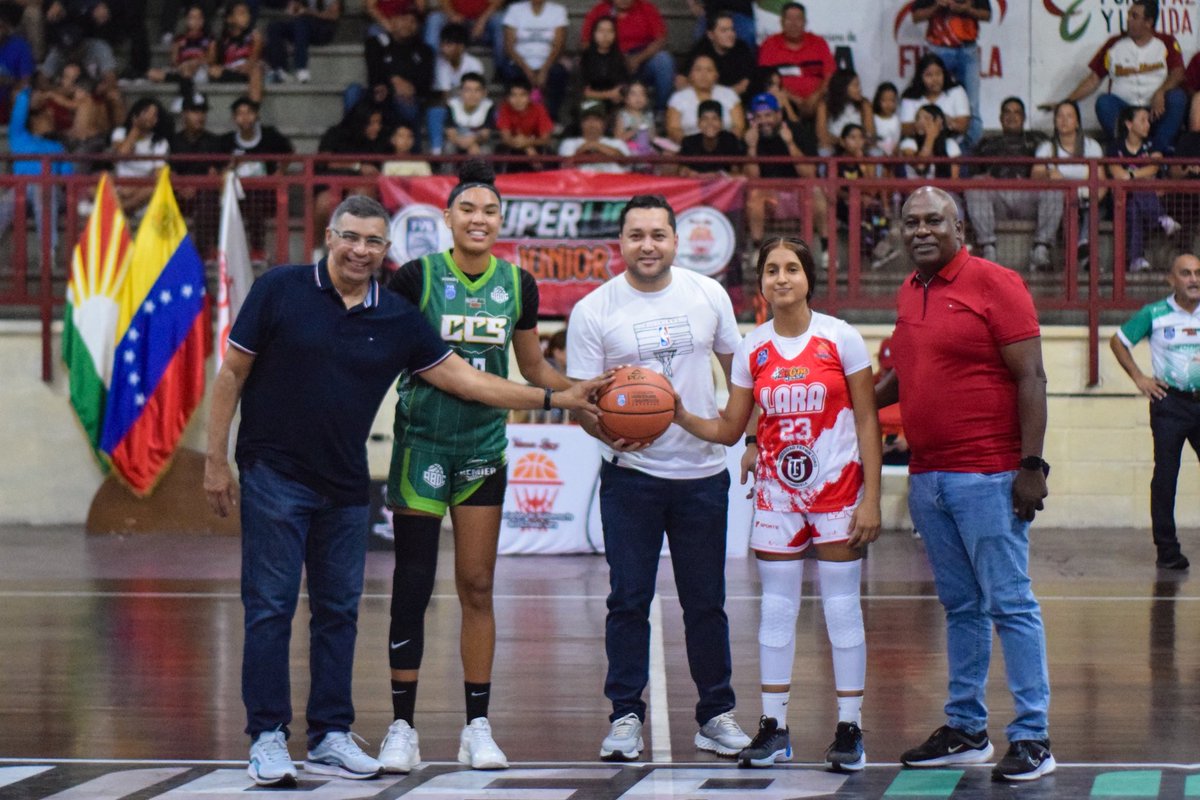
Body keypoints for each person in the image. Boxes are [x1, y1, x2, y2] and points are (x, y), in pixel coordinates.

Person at [204, 194, 604, 789]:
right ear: (329, 237)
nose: (360, 251)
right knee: (270, 607)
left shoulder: (395, 317)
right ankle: (267, 736)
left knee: (339, 613)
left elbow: (467, 379)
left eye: (373, 242)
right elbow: (232, 372)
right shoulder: (280, 289)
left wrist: (556, 398)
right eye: (350, 238)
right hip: (274, 474)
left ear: (385, 251)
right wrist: (215, 459)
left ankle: (331, 734)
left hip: (344, 484)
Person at [379, 161, 577, 774]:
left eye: (490, 211)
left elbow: (534, 370)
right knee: (413, 583)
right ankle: (402, 728)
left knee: (477, 585)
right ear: (447, 218)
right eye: (468, 209)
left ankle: (477, 727)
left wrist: (586, 393)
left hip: (483, 449)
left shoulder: (518, 285)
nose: (479, 219)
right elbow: (386, 353)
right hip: (421, 444)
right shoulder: (416, 277)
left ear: (501, 221)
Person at [673, 236, 881, 771]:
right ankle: (774, 727)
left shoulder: (841, 338)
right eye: (771, 270)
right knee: (777, 611)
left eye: (791, 268)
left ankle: (850, 729)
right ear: (761, 281)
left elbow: (866, 420)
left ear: (809, 277)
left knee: (840, 609)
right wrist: (675, 413)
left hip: (838, 492)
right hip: (776, 497)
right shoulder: (752, 349)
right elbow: (728, 428)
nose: (781, 278)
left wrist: (872, 498)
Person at [876, 185, 1055, 783]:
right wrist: (831, 405)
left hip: (990, 474)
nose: (920, 231)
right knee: (961, 607)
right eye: (910, 222)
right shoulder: (909, 291)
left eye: (933, 221)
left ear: (959, 227)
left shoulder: (996, 282)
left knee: (1010, 603)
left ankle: (1033, 736)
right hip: (927, 478)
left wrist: (1032, 467)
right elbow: (902, 376)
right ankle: (966, 728)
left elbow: (1032, 376)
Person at [566, 194, 752, 763]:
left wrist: (742, 434)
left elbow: (740, 374)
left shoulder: (708, 294)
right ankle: (625, 716)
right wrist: (608, 433)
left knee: (706, 602)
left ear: (675, 239)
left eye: (657, 234)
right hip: (633, 477)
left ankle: (715, 715)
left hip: (701, 475)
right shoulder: (595, 310)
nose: (647, 244)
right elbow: (581, 402)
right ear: (619, 243)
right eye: (636, 235)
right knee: (628, 599)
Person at [1110, 253, 1200, 571]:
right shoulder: (1155, 314)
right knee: (1165, 477)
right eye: (1186, 273)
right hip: (1170, 404)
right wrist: (1139, 377)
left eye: (1198, 273)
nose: (1194, 279)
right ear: (1171, 280)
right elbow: (1118, 342)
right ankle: (1167, 550)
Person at [1059, 0, 1186, 153]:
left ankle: (1157, 151)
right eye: (1128, 15)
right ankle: (1124, 151)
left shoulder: (1166, 42)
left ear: (1148, 22)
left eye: (1134, 16)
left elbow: (1178, 73)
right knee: (1104, 103)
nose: (1128, 20)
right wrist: (1066, 101)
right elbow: (1093, 80)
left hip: (1155, 110)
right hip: (1125, 110)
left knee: (1178, 98)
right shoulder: (1114, 44)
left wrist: (1161, 92)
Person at [963, 97, 1061, 271]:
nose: (1012, 116)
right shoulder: (986, 143)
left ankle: (1040, 249)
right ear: (1000, 118)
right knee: (974, 185)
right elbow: (971, 172)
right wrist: (983, 177)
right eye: (1007, 112)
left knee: (1054, 189)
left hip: (1029, 197)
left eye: (1017, 112)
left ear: (1024, 118)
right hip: (997, 198)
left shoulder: (1038, 139)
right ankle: (988, 249)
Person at [1030, 100, 1105, 267]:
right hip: (1058, 202)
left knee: (1093, 209)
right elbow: (1035, 175)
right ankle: (1048, 249)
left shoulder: (1092, 147)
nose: (1064, 120)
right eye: (1060, 116)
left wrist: (1091, 199)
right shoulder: (1047, 147)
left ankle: (1084, 250)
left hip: (1086, 201)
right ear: (1055, 121)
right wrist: (1049, 174)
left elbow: (1101, 182)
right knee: (1065, 209)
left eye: (1069, 116)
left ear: (1077, 122)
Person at [1107, 104, 1179, 274]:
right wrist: (1138, 176)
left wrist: (1131, 175)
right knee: (1136, 192)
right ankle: (1160, 218)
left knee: (1134, 207)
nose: (1148, 124)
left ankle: (1136, 259)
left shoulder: (1153, 144)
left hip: (1140, 200)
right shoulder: (1115, 147)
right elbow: (1117, 174)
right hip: (1120, 201)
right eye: (1143, 120)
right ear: (1129, 124)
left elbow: (1153, 168)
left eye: (1148, 120)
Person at [912, 0, 990, 149]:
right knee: (932, 98)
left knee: (972, 103)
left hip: (967, 48)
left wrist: (966, 9)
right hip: (939, 48)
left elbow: (986, 14)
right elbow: (916, 16)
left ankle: (969, 151)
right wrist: (937, 6)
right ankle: (932, 144)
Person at [579, 0, 674, 113]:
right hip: (609, 62)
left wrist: (638, 59)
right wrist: (611, 59)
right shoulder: (599, 10)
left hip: (642, 60)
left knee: (664, 60)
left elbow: (661, 39)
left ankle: (660, 111)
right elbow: (585, 43)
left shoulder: (646, 8)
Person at [755, 2, 833, 123]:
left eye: (798, 19)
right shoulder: (770, 44)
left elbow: (830, 75)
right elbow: (766, 79)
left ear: (805, 22)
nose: (794, 24)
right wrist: (794, 99)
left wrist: (815, 96)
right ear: (781, 22)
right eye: (789, 19)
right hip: (785, 100)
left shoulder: (819, 42)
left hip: (817, 100)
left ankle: (823, 139)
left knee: (825, 103)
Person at [499, 0, 568, 122]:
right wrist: (527, 70)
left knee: (559, 73)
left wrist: (544, 70)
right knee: (509, 72)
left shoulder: (558, 11)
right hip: (520, 62)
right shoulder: (515, 10)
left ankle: (551, 118)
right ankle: (514, 119)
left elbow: (559, 45)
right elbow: (509, 46)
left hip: (548, 62)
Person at [665, 53, 745, 144]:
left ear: (716, 75)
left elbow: (739, 127)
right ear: (690, 75)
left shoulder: (730, 95)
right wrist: (692, 146)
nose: (703, 75)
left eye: (709, 70)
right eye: (698, 70)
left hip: (725, 149)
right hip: (689, 151)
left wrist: (723, 145)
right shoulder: (678, 98)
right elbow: (673, 129)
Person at [265, 0, 341, 84]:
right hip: (302, 28)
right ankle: (280, 69)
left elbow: (333, 15)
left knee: (302, 22)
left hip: (323, 30)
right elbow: (296, 9)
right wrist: (294, 7)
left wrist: (308, 12)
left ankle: (301, 67)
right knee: (274, 27)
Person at [899, 52, 969, 143]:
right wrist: (920, 126)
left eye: (938, 74)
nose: (935, 79)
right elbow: (905, 129)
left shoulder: (956, 91)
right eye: (929, 75)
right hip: (919, 144)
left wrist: (948, 122)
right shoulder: (910, 96)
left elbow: (963, 127)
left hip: (950, 141)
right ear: (920, 78)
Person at [685, 12, 753, 95]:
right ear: (711, 35)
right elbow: (681, 77)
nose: (730, 34)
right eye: (724, 31)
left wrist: (718, 97)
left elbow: (744, 85)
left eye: (732, 29)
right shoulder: (700, 48)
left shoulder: (742, 48)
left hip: (733, 100)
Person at [495, 75, 553, 171]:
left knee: (546, 152)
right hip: (513, 147)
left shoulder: (539, 109)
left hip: (535, 146)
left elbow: (545, 139)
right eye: (513, 95)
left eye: (522, 95)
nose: (518, 100)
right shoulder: (505, 108)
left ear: (530, 96)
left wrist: (528, 143)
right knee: (502, 150)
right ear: (508, 97)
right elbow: (506, 138)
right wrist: (526, 147)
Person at [558, 99, 630, 172]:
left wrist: (596, 145)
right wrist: (582, 150)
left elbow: (627, 163)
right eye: (587, 120)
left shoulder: (618, 143)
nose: (592, 123)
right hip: (581, 182)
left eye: (596, 119)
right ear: (581, 123)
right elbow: (566, 166)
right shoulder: (569, 143)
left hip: (612, 182)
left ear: (604, 123)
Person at [678, 98, 745, 176]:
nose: (710, 123)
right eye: (705, 119)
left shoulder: (730, 140)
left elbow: (736, 173)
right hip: (697, 185)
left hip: (722, 186)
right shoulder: (688, 142)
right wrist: (691, 173)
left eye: (715, 118)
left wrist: (715, 176)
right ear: (698, 123)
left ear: (721, 123)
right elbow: (682, 172)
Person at [815, 69, 873, 155]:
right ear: (843, 87)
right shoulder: (825, 104)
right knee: (824, 151)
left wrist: (857, 142)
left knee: (875, 152)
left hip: (859, 145)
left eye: (859, 85)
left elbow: (869, 132)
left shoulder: (864, 104)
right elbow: (821, 134)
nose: (859, 89)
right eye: (855, 86)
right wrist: (843, 142)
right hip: (834, 144)